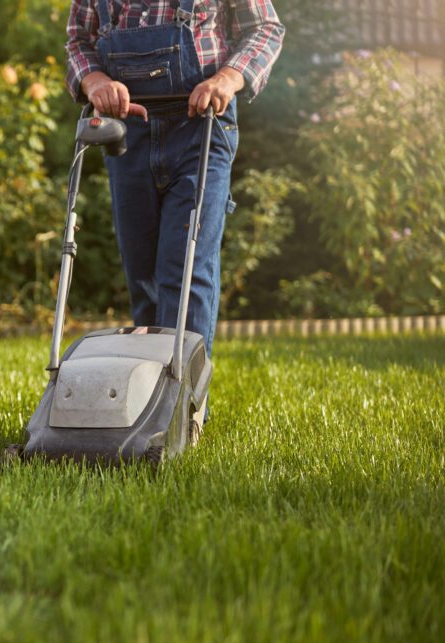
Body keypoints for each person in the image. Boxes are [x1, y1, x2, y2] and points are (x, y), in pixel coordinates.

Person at [65, 0, 284, 434]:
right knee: (142, 270)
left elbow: (265, 30)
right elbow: (78, 41)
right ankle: (144, 401)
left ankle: (186, 409)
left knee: (186, 267)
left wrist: (227, 78)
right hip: (126, 131)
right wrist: (95, 81)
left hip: (201, 125)